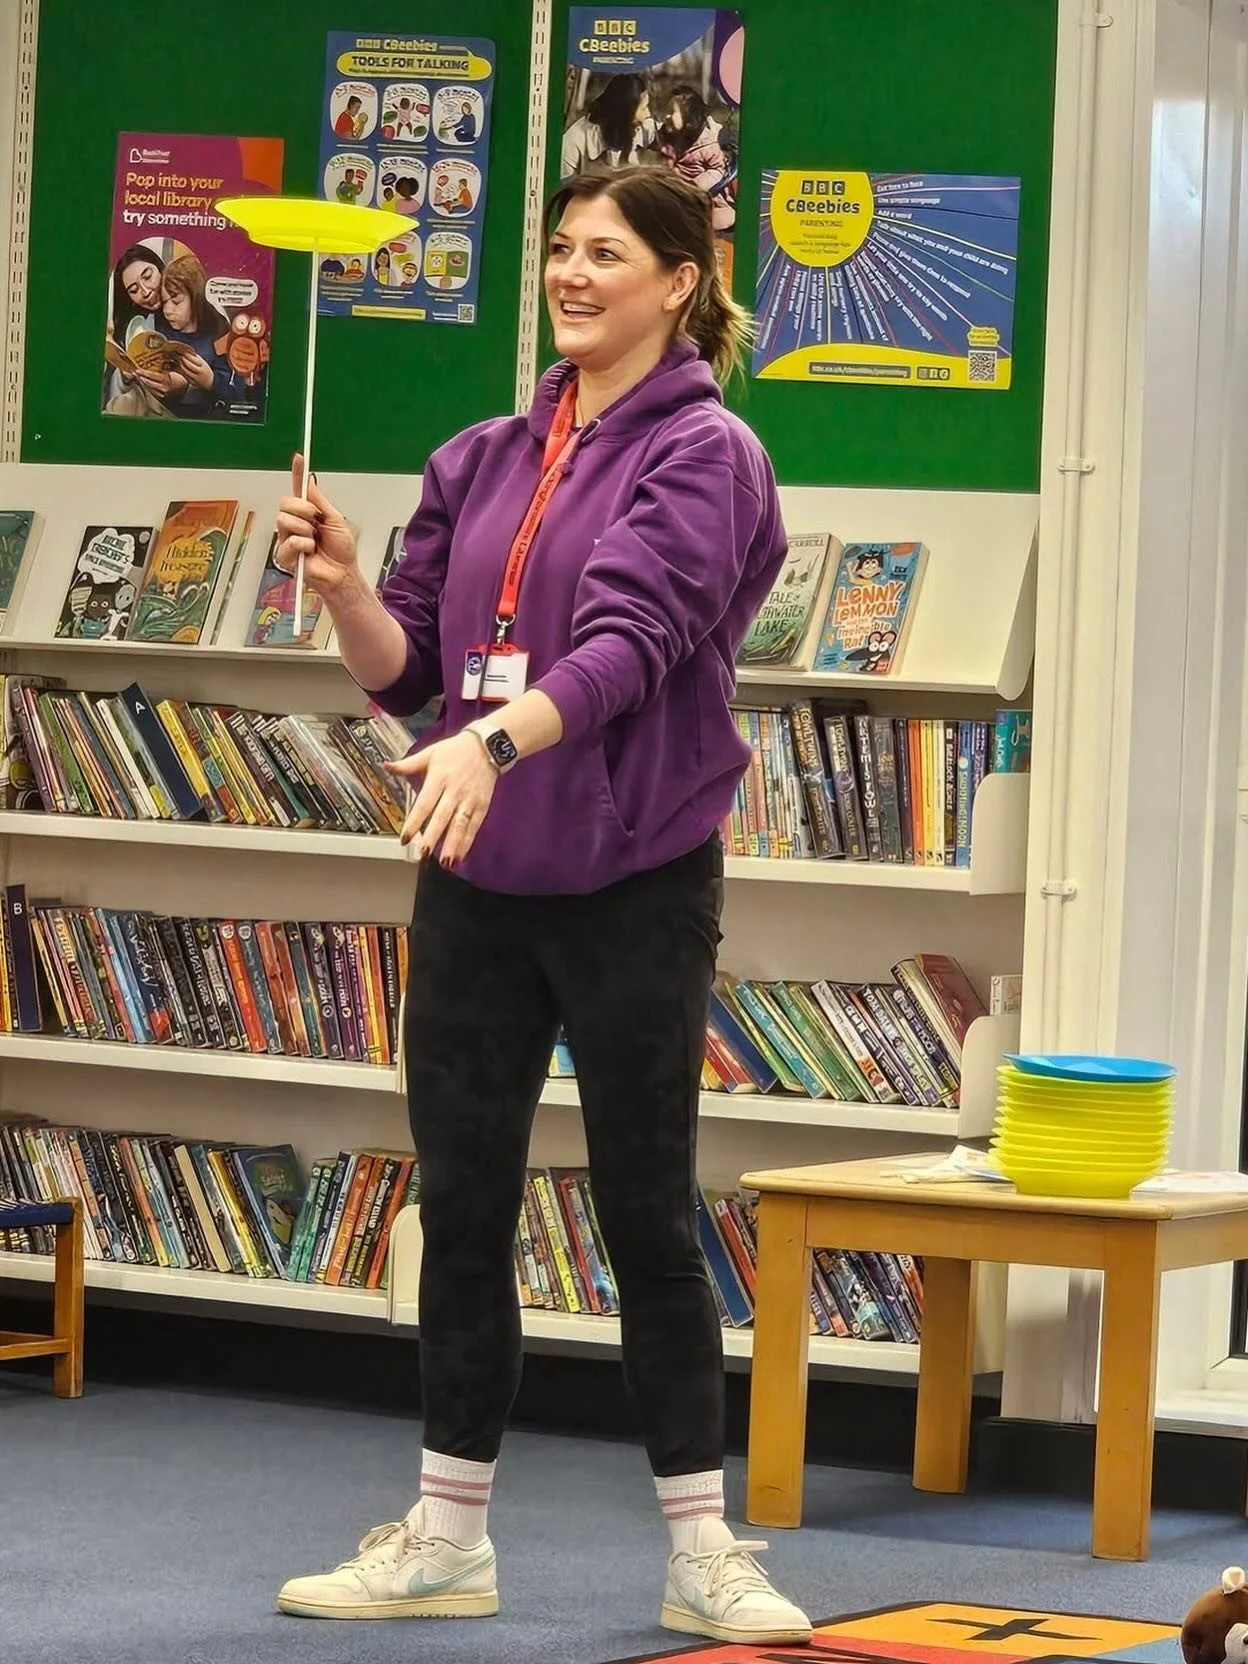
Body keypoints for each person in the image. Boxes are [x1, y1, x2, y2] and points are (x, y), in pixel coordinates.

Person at [271, 165, 813, 1648]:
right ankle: (446, 1534)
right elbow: (415, 674)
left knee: (646, 1210)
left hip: (635, 883)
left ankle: (706, 1552)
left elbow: (632, 645)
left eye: (608, 254)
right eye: (562, 252)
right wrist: (339, 596)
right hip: (478, 886)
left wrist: (491, 742)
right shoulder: (478, 455)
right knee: (462, 1208)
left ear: (680, 281)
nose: (574, 276)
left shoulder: (709, 455)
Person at [561, 73, 657, 176]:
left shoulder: (636, 127)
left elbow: (661, 131)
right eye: (643, 108)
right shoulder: (573, 143)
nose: (648, 114)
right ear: (625, 113)